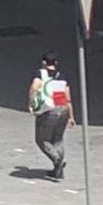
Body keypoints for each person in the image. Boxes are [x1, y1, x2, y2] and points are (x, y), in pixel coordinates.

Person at [28, 52, 74, 180]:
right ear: (56, 63)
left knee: (42, 140)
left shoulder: (40, 74)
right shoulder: (63, 77)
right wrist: (71, 116)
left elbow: (34, 87)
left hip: (49, 110)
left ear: (44, 63)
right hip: (63, 109)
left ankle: (57, 161)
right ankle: (58, 171)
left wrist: (32, 103)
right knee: (57, 139)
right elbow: (68, 98)